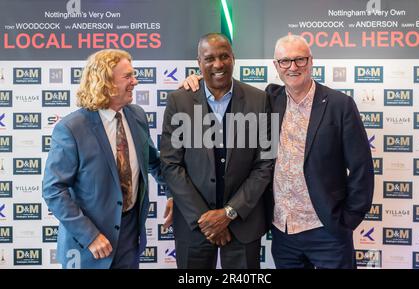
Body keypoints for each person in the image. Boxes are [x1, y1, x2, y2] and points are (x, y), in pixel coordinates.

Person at [182, 34, 374, 269]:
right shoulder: (269, 100)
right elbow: (224, 85)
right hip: (283, 233)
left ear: (311, 61)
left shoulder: (339, 105)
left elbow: (361, 168)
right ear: (276, 66)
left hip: (327, 230)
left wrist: (348, 219)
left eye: (300, 60)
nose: (293, 67)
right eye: (285, 61)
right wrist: (196, 81)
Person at [43, 49, 171, 269]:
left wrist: (172, 192)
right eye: (128, 76)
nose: (135, 81)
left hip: (130, 237)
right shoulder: (71, 128)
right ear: (107, 83)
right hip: (87, 246)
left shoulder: (137, 116)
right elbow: (54, 189)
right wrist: (90, 236)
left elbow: (153, 162)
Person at [160, 33, 273, 269]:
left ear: (234, 58)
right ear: (199, 63)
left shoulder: (259, 100)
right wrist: (206, 220)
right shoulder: (178, 101)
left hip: (243, 223)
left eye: (224, 57)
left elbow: (265, 164)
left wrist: (228, 214)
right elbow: (171, 165)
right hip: (194, 225)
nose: (218, 64)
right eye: (209, 58)